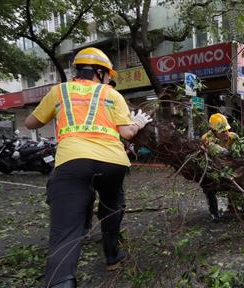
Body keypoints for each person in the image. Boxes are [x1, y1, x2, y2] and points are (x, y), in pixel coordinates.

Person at [24, 47, 153, 288]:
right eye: (107, 74)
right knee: (112, 205)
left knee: (65, 229)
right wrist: (137, 123)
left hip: (72, 161)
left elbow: (30, 122)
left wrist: (56, 112)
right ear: (100, 72)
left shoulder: (59, 91)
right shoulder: (111, 94)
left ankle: (62, 280)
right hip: (112, 162)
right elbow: (126, 132)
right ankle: (112, 256)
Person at [201, 113, 238, 221]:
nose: (226, 133)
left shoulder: (233, 137)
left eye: (226, 130)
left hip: (229, 167)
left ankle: (232, 206)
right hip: (213, 169)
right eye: (222, 131)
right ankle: (214, 212)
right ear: (213, 131)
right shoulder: (206, 139)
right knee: (209, 187)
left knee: (235, 183)